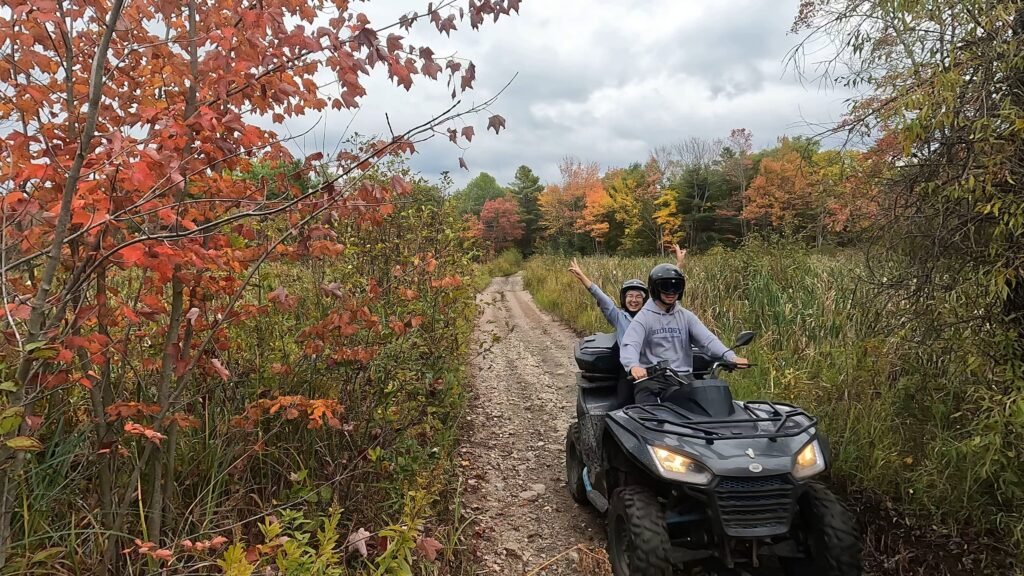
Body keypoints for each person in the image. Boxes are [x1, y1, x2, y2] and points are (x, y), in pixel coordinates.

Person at [620, 263, 748, 404]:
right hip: (653, 379)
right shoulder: (643, 317)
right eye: (666, 287)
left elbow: (707, 340)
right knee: (647, 411)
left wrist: (731, 356)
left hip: (683, 378)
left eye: (676, 287)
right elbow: (630, 344)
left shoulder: (686, 316)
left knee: (708, 404)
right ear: (655, 288)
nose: (671, 292)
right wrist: (633, 366)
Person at [568, 245, 687, 345]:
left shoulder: (653, 314)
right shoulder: (618, 317)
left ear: (644, 300)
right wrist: (582, 277)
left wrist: (679, 265)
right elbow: (600, 296)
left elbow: (669, 292)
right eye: (630, 296)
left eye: (638, 296)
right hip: (627, 363)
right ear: (624, 299)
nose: (634, 300)